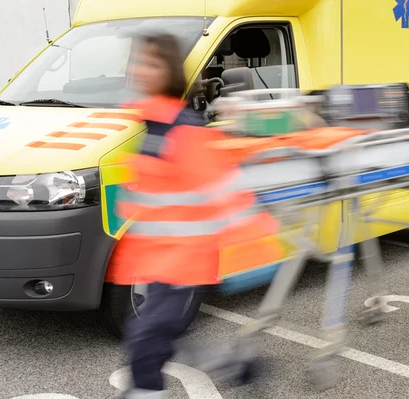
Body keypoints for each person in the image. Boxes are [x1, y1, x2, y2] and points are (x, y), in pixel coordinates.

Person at [107, 33, 283, 398]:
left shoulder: (183, 131)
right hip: (156, 262)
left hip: (182, 265)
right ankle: (237, 368)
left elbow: (225, 192)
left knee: (146, 341)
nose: (139, 69)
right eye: (136, 61)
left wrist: (260, 249)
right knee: (156, 340)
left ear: (168, 70)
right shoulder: (150, 126)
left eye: (150, 62)